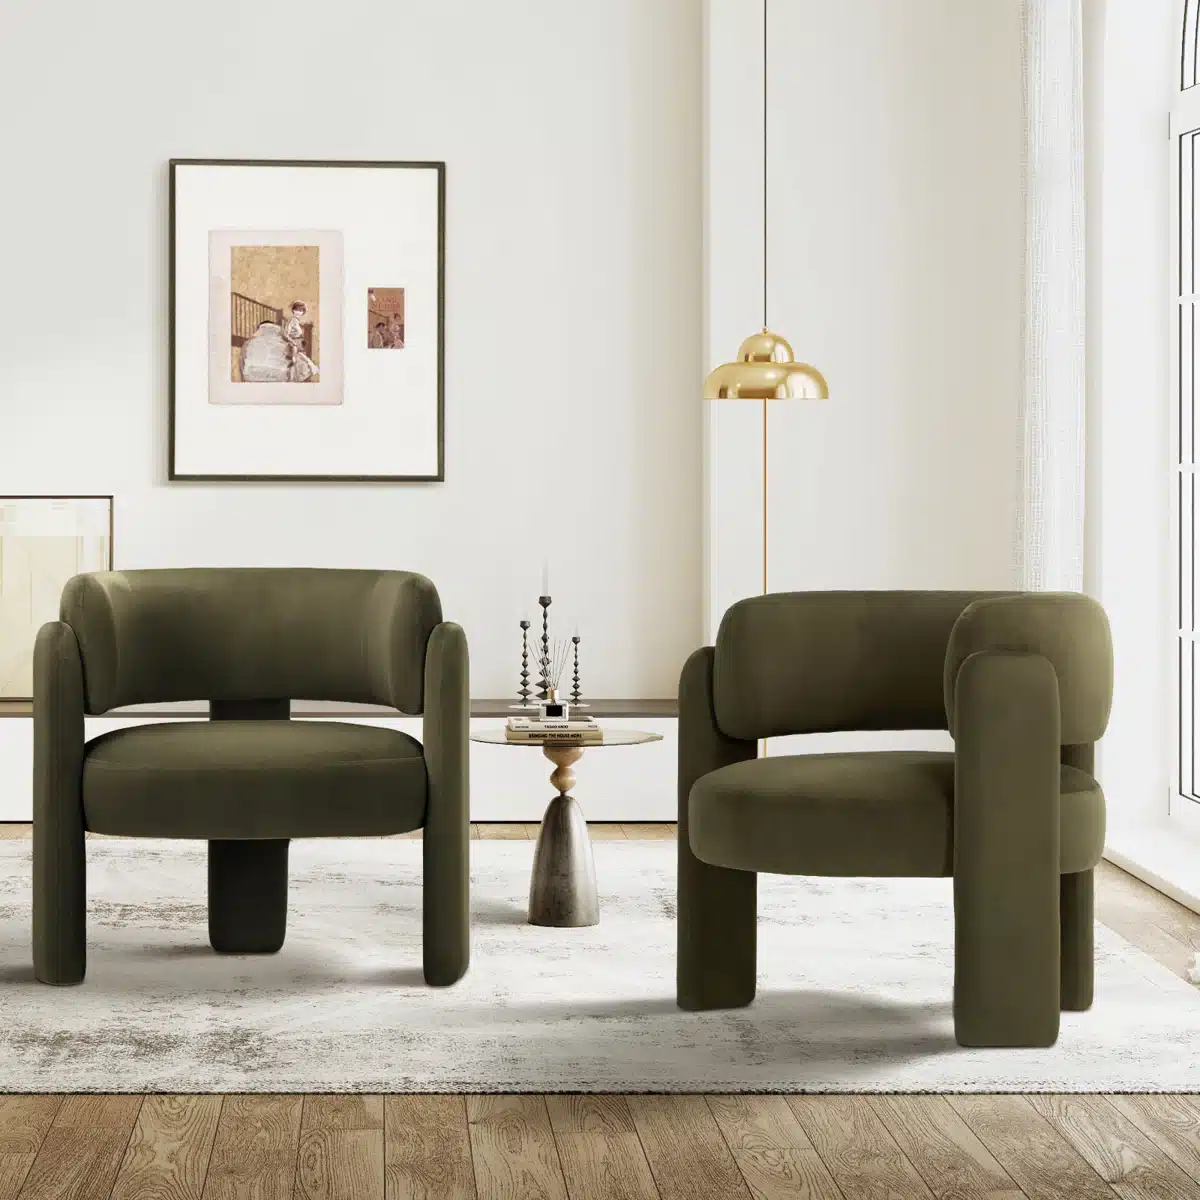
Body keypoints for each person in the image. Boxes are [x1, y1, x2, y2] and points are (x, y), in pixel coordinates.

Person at [282, 300, 319, 381]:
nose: (298, 312)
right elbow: (286, 333)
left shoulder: (296, 320)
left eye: (301, 310)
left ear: (303, 312)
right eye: (296, 310)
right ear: (293, 310)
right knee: (296, 361)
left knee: (305, 362)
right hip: (293, 343)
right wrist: (293, 342)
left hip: (298, 343)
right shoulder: (292, 320)